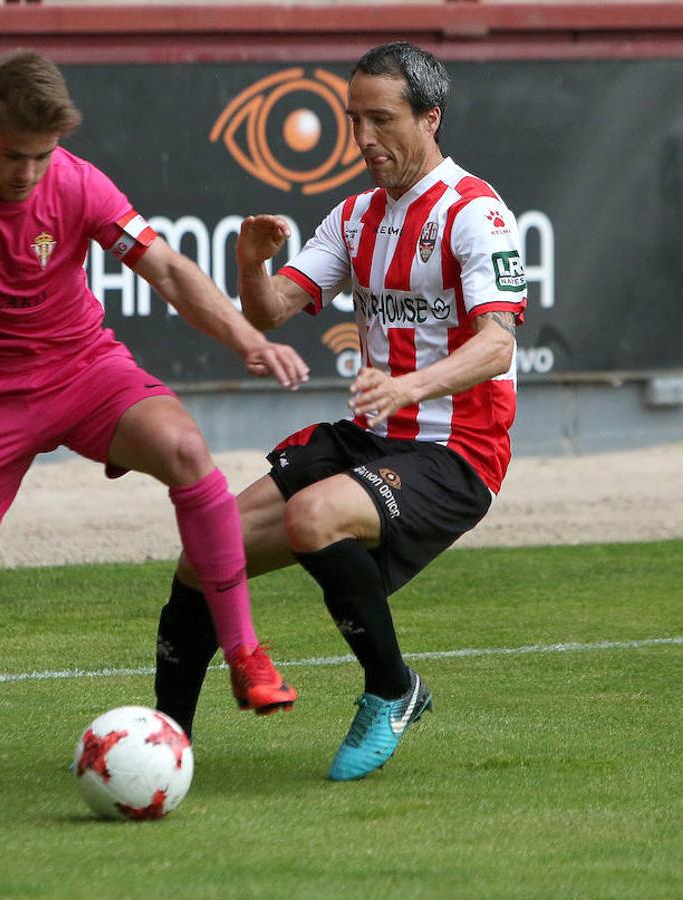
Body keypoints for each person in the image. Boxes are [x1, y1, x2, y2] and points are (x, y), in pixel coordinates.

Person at [0, 49, 311, 784]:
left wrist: (248, 338)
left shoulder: (76, 181)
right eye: (12, 154)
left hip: (84, 368)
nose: (29, 172)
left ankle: (246, 652)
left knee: (187, 449)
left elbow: (168, 270)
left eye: (43, 154)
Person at [154, 41, 526, 781]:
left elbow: (497, 347)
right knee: (207, 554)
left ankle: (393, 689)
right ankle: (164, 744)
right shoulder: (354, 216)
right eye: (353, 120)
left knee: (313, 518)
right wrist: (251, 260)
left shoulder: (476, 214)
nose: (362, 140)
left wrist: (409, 387)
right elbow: (269, 312)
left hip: (458, 450)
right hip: (372, 436)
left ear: (430, 118)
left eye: (381, 120)